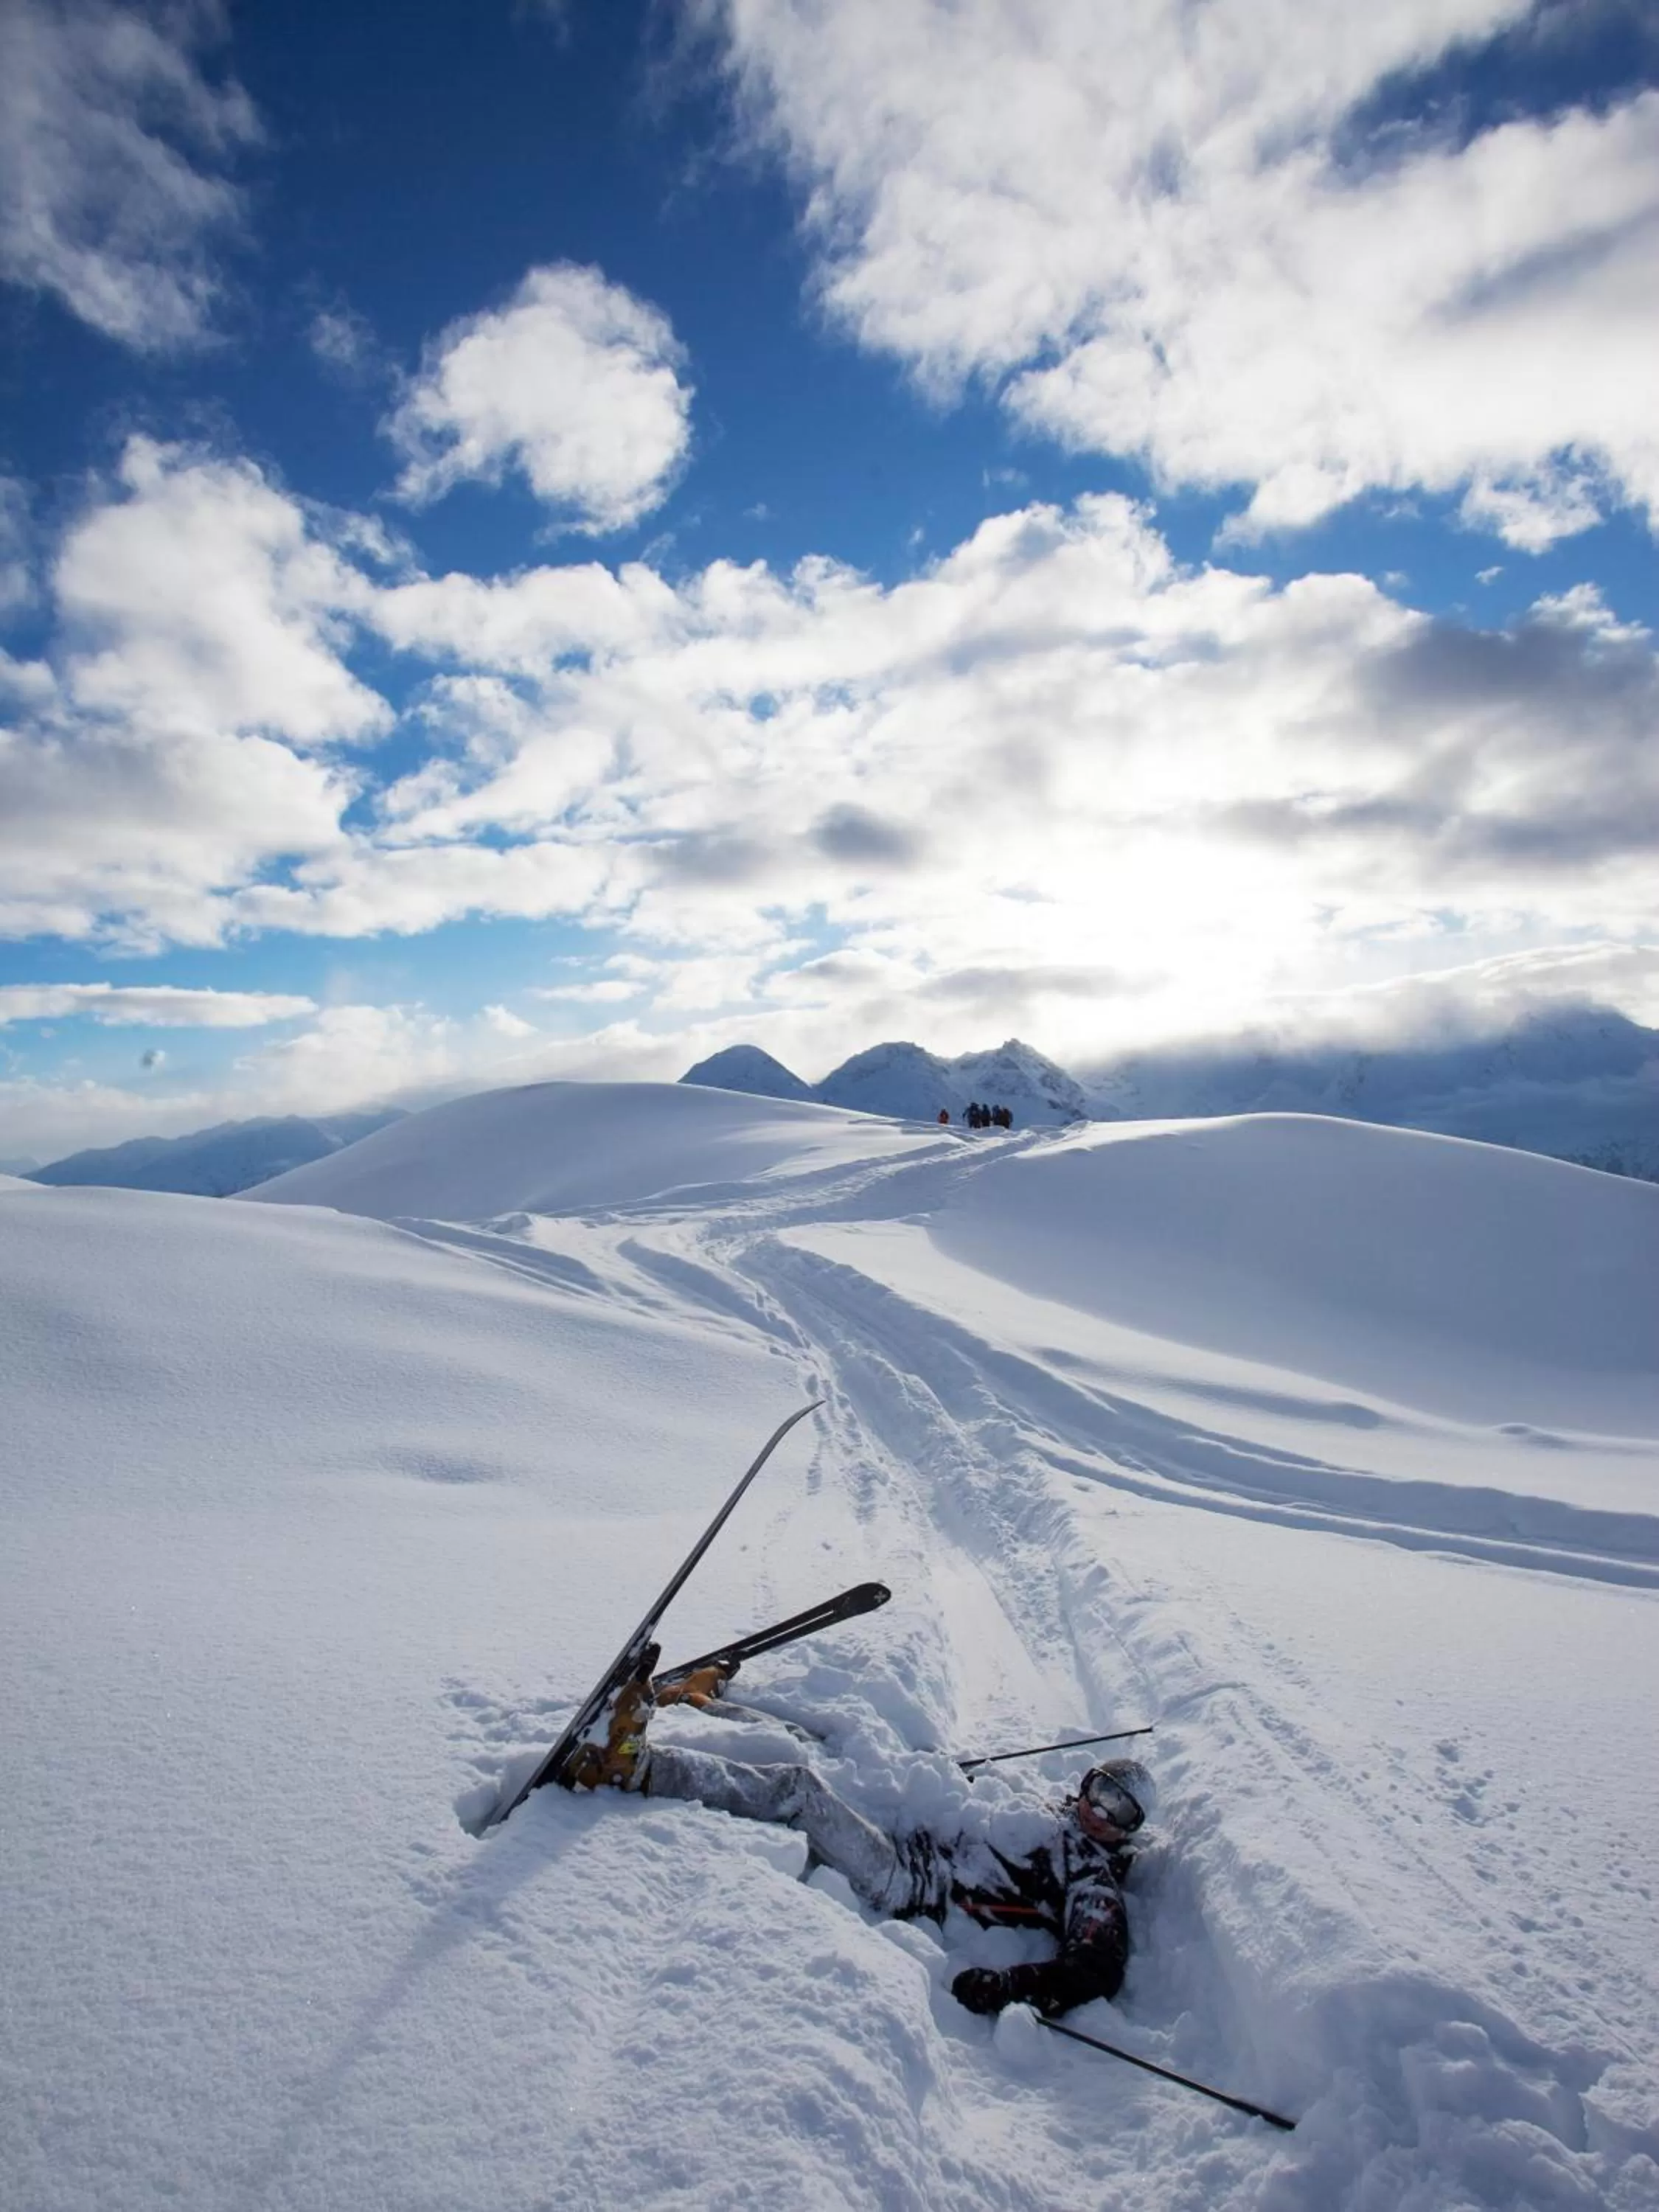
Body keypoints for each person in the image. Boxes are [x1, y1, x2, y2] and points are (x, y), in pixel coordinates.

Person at [562, 1660, 1145, 2018]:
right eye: (1101, 1791)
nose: (1100, 1812)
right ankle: (698, 1700)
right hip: (910, 1834)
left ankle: (633, 1768)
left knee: (801, 1789)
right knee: (826, 1750)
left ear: (1128, 1830)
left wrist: (1008, 1986)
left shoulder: (1092, 1879)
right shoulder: (1055, 1814)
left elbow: (1094, 1967)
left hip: (908, 1880)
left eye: (1119, 1810)